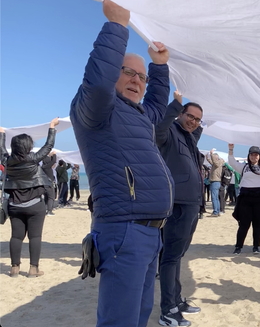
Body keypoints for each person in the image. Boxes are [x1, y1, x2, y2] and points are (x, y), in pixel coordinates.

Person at [69, 1, 174, 326]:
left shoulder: (141, 115)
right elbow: (99, 82)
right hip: (124, 230)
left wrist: (158, 67)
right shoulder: (95, 110)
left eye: (141, 77)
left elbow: (157, 100)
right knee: (120, 321)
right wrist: (117, 26)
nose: (136, 80)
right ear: (113, 69)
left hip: (150, 233)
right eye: (127, 72)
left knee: (139, 316)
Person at [155, 90, 204, 326]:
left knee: (177, 255)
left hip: (192, 205)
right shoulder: (169, 132)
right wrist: (174, 104)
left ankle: (176, 299)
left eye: (197, 119)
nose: (193, 122)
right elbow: (158, 129)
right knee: (170, 257)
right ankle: (168, 310)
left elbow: (196, 133)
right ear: (180, 114)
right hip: (177, 204)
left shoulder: (188, 138)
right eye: (190, 116)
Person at [0, 118, 59, 278]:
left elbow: (0, 150)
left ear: (13, 147)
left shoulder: (7, 161)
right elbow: (48, 146)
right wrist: (51, 127)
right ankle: (33, 269)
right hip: (35, 206)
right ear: (29, 146)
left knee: (16, 236)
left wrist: (2, 135)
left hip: (14, 205)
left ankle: (14, 269)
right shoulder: (33, 159)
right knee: (35, 237)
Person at [228, 144, 260, 254]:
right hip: (246, 197)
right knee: (244, 224)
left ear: (259, 156)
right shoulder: (243, 167)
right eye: (252, 155)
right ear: (248, 156)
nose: (254, 157)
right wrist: (231, 149)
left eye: (256, 155)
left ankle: (256, 247)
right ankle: (238, 247)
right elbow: (232, 162)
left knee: (258, 224)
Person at [206, 150, 224, 217]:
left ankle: (215, 212)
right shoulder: (217, 164)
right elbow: (211, 161)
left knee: (214, 197)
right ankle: (218, 211)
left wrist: (211, 154)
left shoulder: (218, 163)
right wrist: (207, 156)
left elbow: (214, 162)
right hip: (217, 182)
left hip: (215, 181)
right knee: (216, 198)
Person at [41, 152, 57, 216]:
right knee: (51, 197)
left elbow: (52, 162)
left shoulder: (43, 167)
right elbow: (53, 161)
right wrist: (54, 154)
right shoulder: (47, 167)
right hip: (49, 184)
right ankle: (49, 211)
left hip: (44, 184)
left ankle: (45, 210)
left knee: (46, 197)